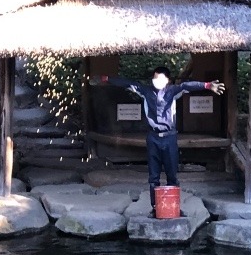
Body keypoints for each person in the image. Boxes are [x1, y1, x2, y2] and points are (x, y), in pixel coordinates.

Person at [93, 67, 225, 216]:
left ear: (167, 80)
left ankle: (174, 207)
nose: (157, 81)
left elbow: (187, 86)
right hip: (153, 138)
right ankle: (155, 208)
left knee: (172, 175)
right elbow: (127, 83)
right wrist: (106, 78)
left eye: (160, 78)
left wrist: (207, 85)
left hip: (169, 137)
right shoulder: (145, 91)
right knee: (153, 177)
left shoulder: (173, 91)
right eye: (155, 78)